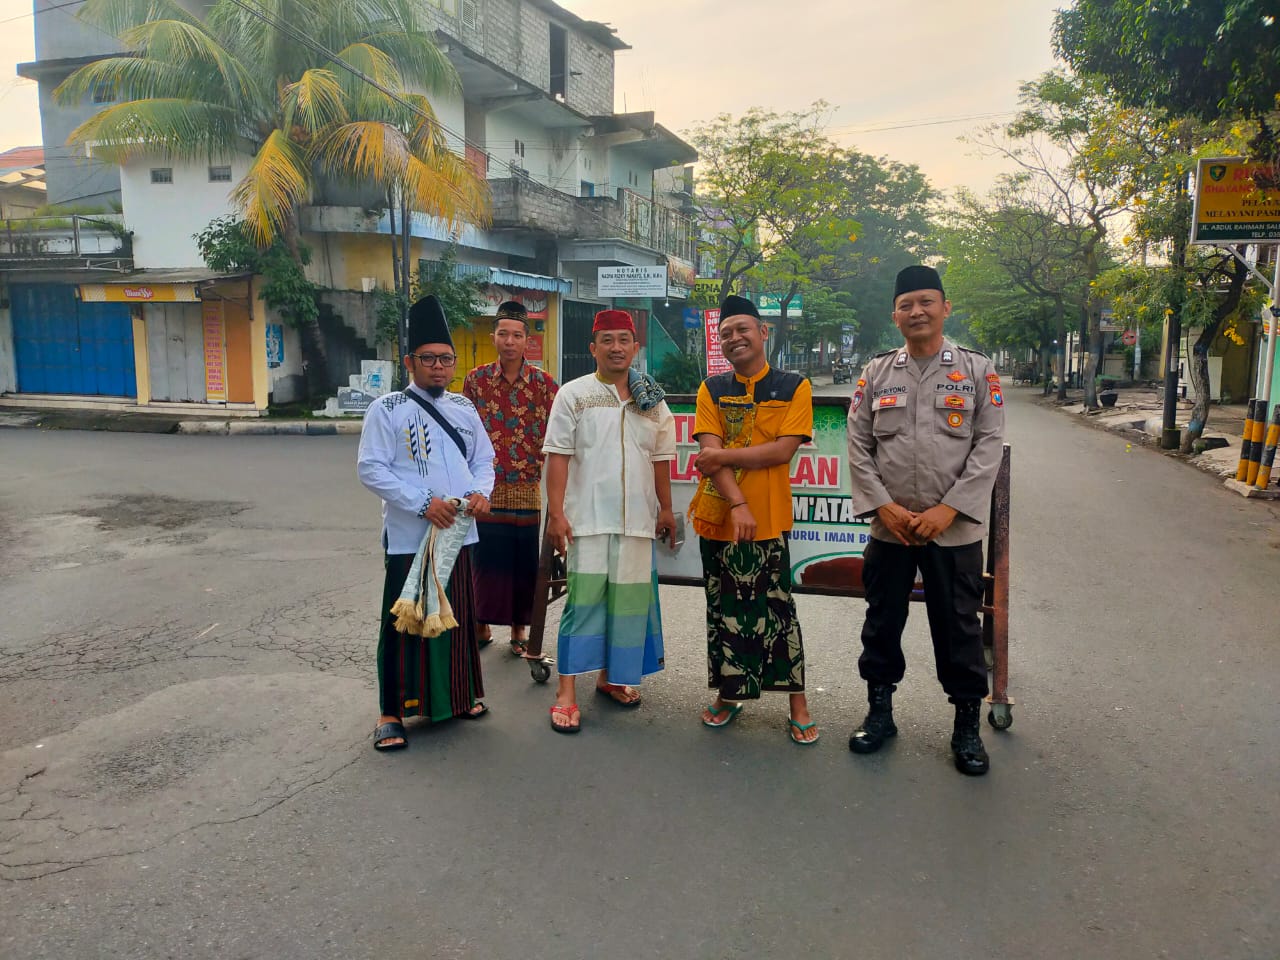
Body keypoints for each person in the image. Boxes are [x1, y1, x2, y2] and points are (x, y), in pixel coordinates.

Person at [845, 265, 1005, 775]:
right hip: (889, 527)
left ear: (945, 308)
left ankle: (966, 727)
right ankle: (879, 713)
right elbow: (858, 445)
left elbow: (988, 446)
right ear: (895, 315)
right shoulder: (876, 374)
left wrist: (947, 509)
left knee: (959, 627)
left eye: (926, 302)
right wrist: (884, 506)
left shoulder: (977, 371)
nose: (916, 312)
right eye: (906, 305)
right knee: (881, 620)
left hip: (953, 530)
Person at [357, 295, 497, 752]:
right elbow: (371, 468)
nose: (439, 367)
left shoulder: (464, 408)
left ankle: (458, 698)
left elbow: (484, 460)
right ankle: (391, 713)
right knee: (406, 623)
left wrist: (480, 493)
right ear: (409, 362)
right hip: (410, 538)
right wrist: (423, 504)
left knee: (457, 619)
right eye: (429, 359)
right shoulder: (388, 408)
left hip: (459, 535)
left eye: (446, 359)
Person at [541, 309, 677, 734]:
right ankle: (566, 692)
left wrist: (666, 509)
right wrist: (556, 514)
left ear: (636, 347)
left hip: (637, 522)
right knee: (582, 608)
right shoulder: (574, 395)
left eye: (624, 340)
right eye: (607, 340)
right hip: (587, 522)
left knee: (628, 608)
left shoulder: (651, 400)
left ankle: (611, 678)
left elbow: (660, 460)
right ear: (593, 348)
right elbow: (558, 456)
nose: (616, 348)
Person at [691, 295, 818, 745]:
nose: (734, 338)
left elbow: (782, 451)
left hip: (770, 521)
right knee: (724, 613)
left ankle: (798, 704)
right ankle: (729, 695)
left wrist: (723, 455)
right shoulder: (711, 389)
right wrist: (737, 502)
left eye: (742, 329)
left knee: (780, 614)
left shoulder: (793, 386)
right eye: (725, 333)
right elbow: (707, 456)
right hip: (721, 522)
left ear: (763, 333)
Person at [462, 300, 559, 657]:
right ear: (494, 337)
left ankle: (520, 630)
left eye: (517, 335)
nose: (509, 341)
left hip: (526, 489)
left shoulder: (545, 385)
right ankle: (481, 624)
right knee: (484, 561)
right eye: (503, 334)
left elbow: (561, 434)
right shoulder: (476, 381)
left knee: (522, 565)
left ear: (526, 340)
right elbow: (463, 433)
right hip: (485, 489)